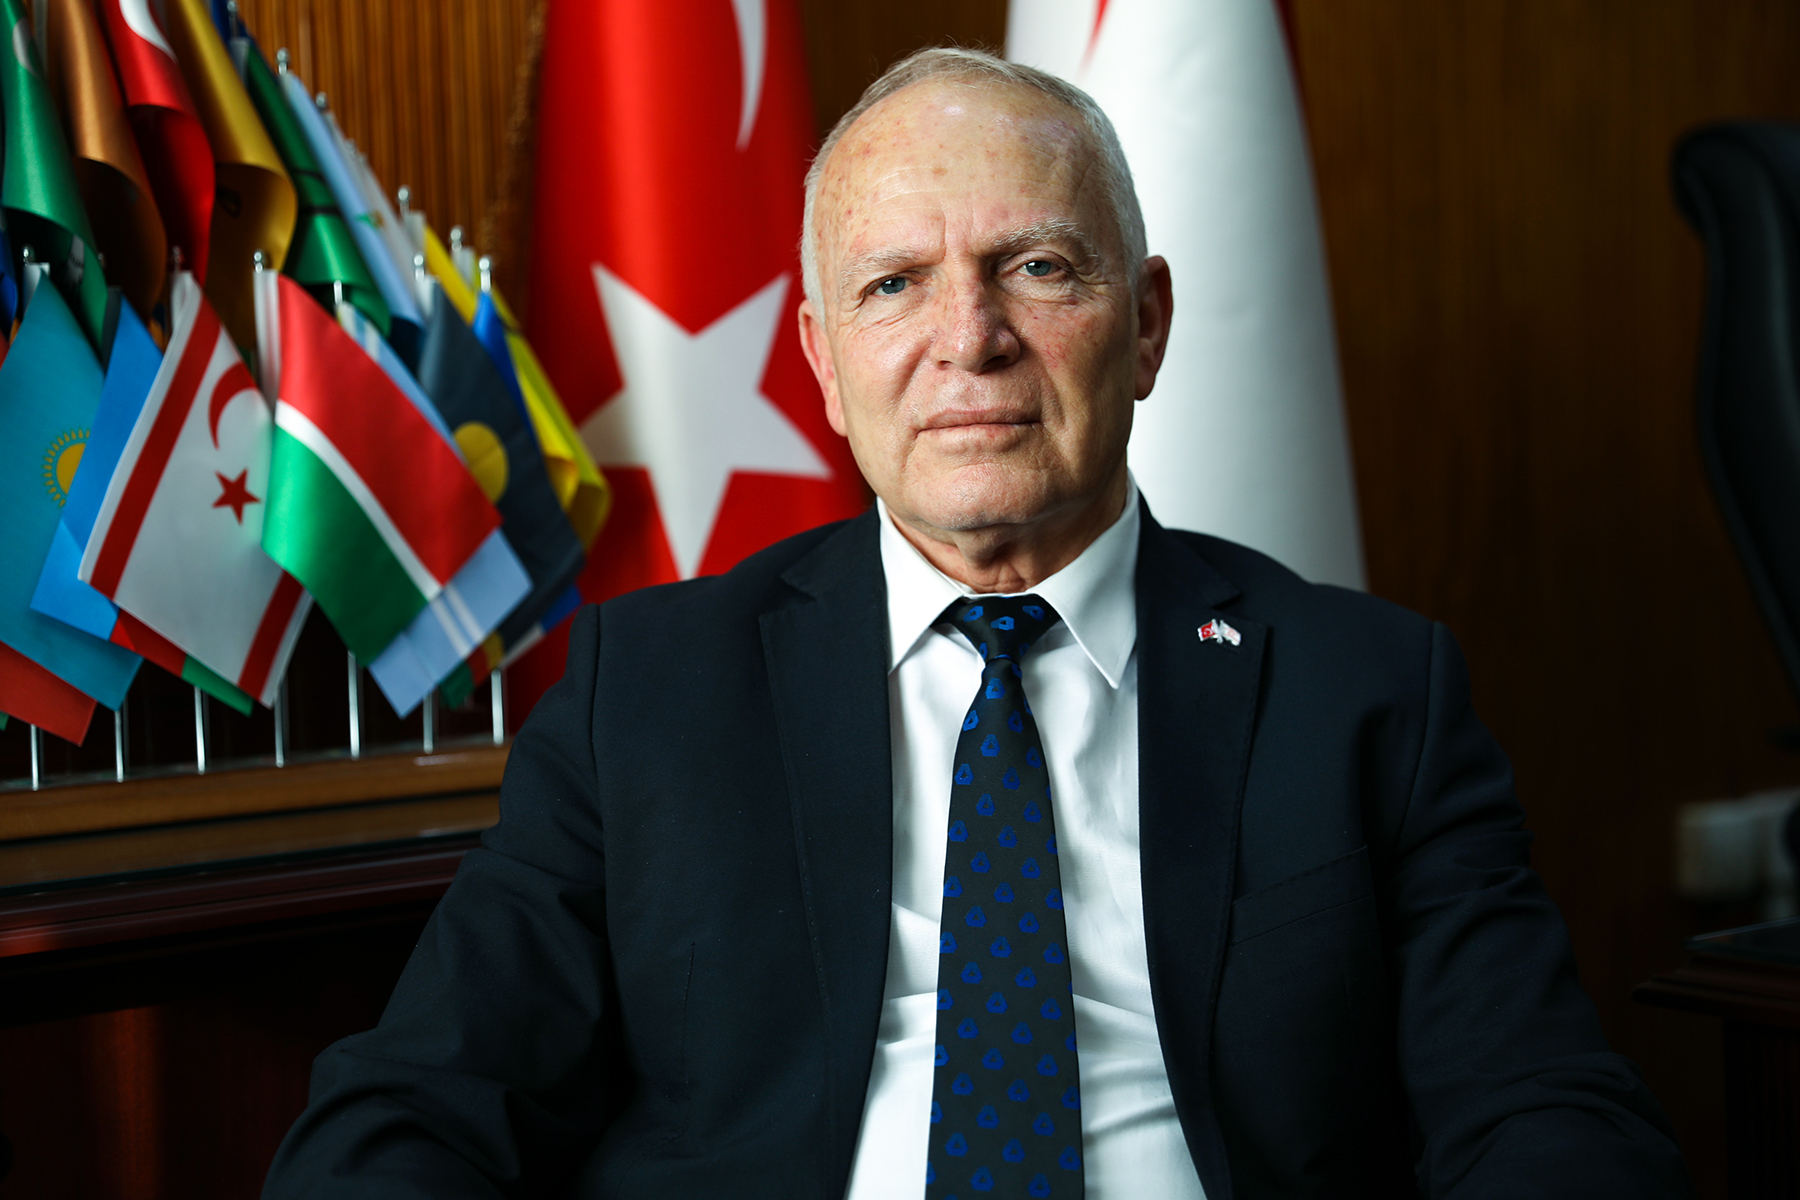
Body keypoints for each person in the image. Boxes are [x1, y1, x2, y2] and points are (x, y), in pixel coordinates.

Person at [263, 48, 1691, 1200]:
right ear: (824, 363)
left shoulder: (1368, 689)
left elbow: (1542, 1110)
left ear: (1146, 325)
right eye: (894, 285)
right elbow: (417, 1106)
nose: (970, 339)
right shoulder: (648, 689)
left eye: (1039, 268)